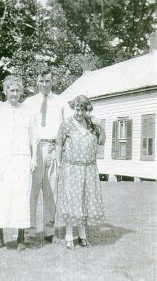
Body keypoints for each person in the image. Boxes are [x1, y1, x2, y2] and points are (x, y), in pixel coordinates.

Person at [0, 75, 37, 251]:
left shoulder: (27, 112)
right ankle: (0, 236)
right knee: (0, 196)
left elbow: (34, 138)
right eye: (11, 90)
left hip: (21, 160)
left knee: (21, 197)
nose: (14, 94)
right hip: (0, 161)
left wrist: (34, 158)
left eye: (17, 90)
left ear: (21, 92)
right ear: (5, 91)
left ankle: (21, 237)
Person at [55, 95, 106, 249]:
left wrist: (100, 126)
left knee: (85, 201)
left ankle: (83, 236)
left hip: (89, 169)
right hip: (71, 168)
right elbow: (58, 143)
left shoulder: (92, 125)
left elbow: (101, 141)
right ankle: (69, 235)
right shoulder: (67, 125)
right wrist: (59, 164)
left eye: (83, 109)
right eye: (77, 109)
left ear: (87, 110)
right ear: (74, 108)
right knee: (73, 201)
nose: (79, 113)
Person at [23, 66, 64, 243]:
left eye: (47, 81)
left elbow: (71, 123)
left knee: (51, 192)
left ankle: (49, 231)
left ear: (52, 81)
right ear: (36, 82)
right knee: (31, 192)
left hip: (54, 148)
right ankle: (30, 231)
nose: (44, 84)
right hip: (35, 149)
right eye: (41, 81)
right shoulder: (29, 102)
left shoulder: (61, 101)